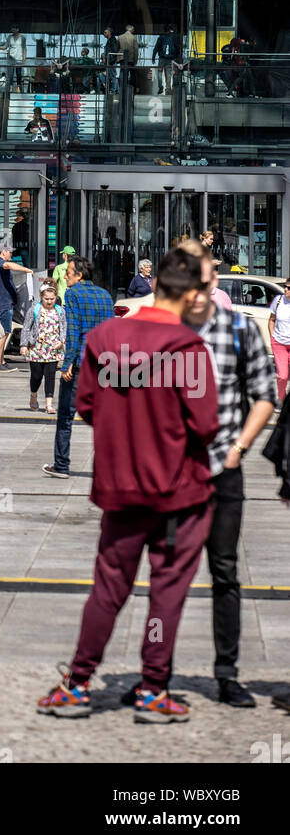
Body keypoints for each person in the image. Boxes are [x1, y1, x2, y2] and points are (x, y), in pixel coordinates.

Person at [36, 247, 219, 723]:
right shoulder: (188, 348)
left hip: (120, 484)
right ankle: (154, 688)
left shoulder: (106, 337)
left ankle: (76, 682)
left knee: (108, 588)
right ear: (194, 295)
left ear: (155, 283)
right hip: (179, 491)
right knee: (167, 591)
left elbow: (87, 405)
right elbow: (206, 425)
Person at [167, 239, 277, 708]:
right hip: (173, 473)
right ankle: (158, 673)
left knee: (225, 572)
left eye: (204, 273)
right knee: (169, 574)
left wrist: (237, 450)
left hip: (222, 471)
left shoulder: (239, 329)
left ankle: (227, 674)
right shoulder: (164, 331)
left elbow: (265, 394)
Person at [43, 257, 114, 481]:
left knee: (65, 415)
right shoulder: (105, 295)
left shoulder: (72, 295)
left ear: (79, 275)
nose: (65, 277)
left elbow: (73, 332)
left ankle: (61, 465)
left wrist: (67, 364)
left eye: (69, 273)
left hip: (82, 363)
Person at [20, 280, 66, 414]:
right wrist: (24, 345)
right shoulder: (34, 309)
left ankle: (49, 404)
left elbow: (64, 328)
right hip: (36, 348)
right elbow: (26, 328)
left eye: (52, 299)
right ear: (41, 297)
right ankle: (33, 395)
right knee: (36, 376)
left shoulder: (60, 310)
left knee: (50, 376)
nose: (50, 301)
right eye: (47, 299)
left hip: (53, 348)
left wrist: (62, 341)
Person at [0, 242, 33, 370]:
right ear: (3, 252)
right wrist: (26, 269)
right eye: (10, 251)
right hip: (4, 303)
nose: (11, 254)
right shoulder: (0, 263)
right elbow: (7, 265)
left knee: (2, 332)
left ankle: (1, 359)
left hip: (0, 303)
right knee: (4, 333)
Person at [268, 276, 290, 402]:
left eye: (289, 288)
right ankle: (281, 400)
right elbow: (271, 320)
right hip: (279, 343)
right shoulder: (278, 300)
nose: (285, 290)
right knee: (282, 376)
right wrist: (272, 338)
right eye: (285, 287)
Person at [152, 24, 180, 95]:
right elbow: (178, 48)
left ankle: (160, 87)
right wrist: (177, 57)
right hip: (170, 59)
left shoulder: (161, 37)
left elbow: (156, 48)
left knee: (159, 73)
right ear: (170, 30)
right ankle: (167, 89)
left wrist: (153, 58)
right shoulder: (173, 37)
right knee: (169, 74)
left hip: (162, 59)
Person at [4, 25, 25, 93]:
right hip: (11, 58)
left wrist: (24, 59)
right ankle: (11, 86)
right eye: (12, 29)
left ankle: (18, 86)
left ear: (17, 29)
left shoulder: (22, 37)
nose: (12, 30)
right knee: (11, 73)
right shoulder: (10, 37)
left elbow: (24, 48)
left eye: (14, 29)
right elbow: (5, 46)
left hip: (19, 58)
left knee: (18, 73)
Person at [99, 26, 121, 94]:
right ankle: (116, 90)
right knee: (112, 76)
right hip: (110, 61)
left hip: (111, 61)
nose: (104, 34)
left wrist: (110, 60)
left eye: (105, 32)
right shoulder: (110, 40)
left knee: (112, 76)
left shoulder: (112, 40)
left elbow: (114, 51)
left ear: (109, 33)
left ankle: (114, 90)